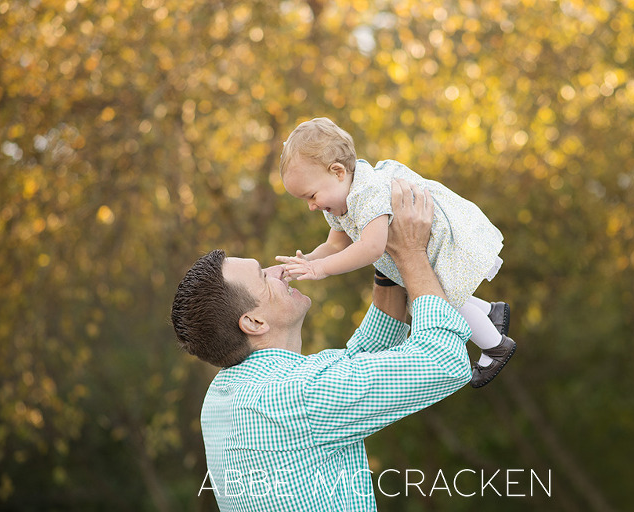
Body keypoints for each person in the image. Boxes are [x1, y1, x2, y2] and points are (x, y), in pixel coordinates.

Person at [171, 180, 472, 511]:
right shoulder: (298, 396)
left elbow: (359, 364)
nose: (279, 272)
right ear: (254, 323)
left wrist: (387, 262)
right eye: (263, 276)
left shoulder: (222, 397)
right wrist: (412, 254)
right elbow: (445, 362)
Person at [276, 117, 515, 388]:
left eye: (311, 196)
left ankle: (496, 347)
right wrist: (307, 260)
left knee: (445, 301)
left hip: (437, 241)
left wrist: (321, 269)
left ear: (338, 172)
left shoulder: (367, 194)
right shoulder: (340, 203)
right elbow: (334, 246)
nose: (311, 206)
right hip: (423, 248)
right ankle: (491, 312)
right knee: (443, 294)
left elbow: (371, 247)